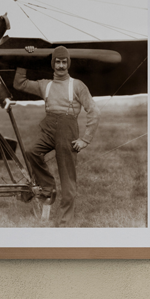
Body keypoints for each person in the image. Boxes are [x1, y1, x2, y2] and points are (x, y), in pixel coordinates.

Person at [13, 45, 100, 227]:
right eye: (57, 62)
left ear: (68, 63)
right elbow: (19, 83)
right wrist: (24, 57)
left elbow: (93, 110)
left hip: (67, 132)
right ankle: (48, 186)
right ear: (53, 64)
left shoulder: (77, 85)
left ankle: (64, 223)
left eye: (64, 62)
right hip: (48, 128)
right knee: (31, 152)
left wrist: (85, 139)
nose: (61, 66)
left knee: (67, 178)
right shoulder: (46, 84)